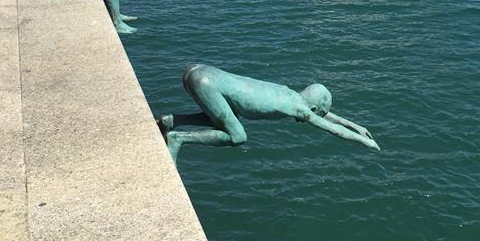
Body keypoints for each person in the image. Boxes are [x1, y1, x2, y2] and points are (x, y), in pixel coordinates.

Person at [157, 65, 380, 164]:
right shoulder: (301, 109)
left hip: (201, 72)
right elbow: (333, 130)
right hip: (207, 84)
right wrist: (364, 141)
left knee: (227, 118)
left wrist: (357, 126)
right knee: (238, 136)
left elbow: (326, 116)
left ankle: (171, 122)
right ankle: (178, 139)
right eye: (317, 114)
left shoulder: (291, 94)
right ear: (313, 110)